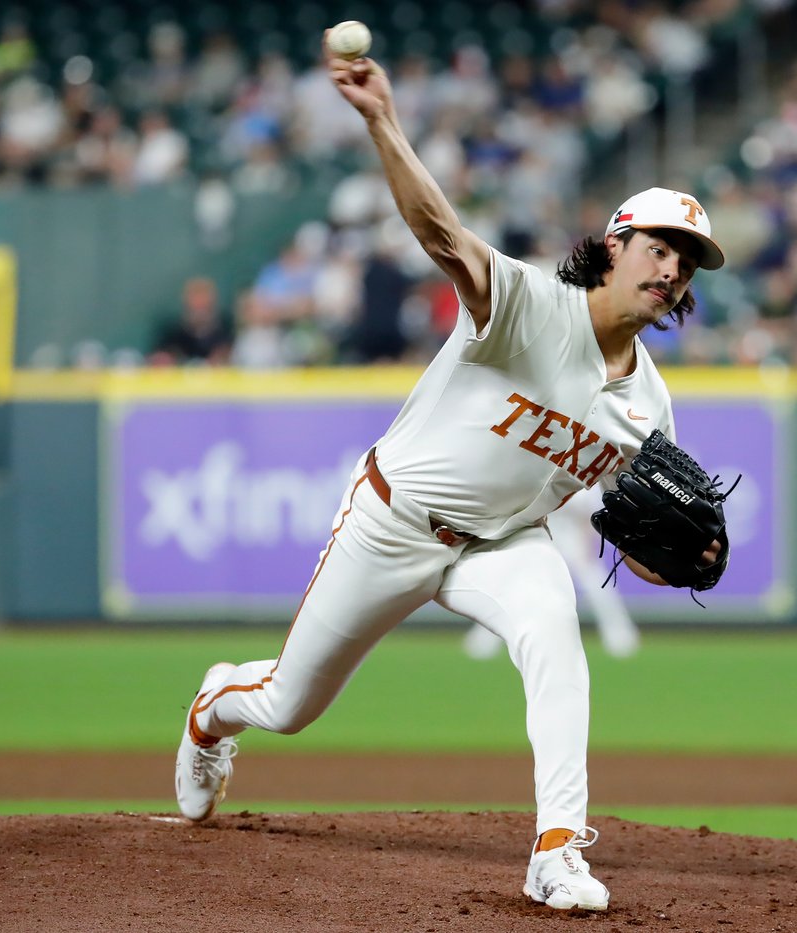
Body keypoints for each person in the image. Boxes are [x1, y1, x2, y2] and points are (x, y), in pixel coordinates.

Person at [173, 32, 726, 914]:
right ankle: (213, 708)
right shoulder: (531, 307)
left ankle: (556, 850)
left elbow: (635, 534)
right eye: (660, 246)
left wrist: (680, 566)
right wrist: (385, 122)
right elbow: (438, 231)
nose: (672, 268)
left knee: (556, 637)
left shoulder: (650, 406)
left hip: (504, 541)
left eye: (687, 260)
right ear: (615, 244)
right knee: (290, 703)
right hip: (393, 519)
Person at [463, 484, 641, 660]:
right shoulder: (538, 470)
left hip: (571, 536)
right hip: (540, 535)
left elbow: (588, 516)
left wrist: (587, 545)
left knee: (596, 583)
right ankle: (485, 638)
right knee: (512, 584)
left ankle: (620, 635)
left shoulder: (579, 471)